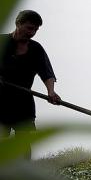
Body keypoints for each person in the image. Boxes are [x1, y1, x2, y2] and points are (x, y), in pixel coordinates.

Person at [0, 10, 61, 159]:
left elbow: (47, 73)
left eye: (35, 30)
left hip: (23, 101)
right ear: (18, 24)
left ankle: (25, 170)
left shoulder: (36, 49)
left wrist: (51, 92)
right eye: (29, 28)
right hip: (1, 100)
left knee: (23, 143)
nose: (32, 33)